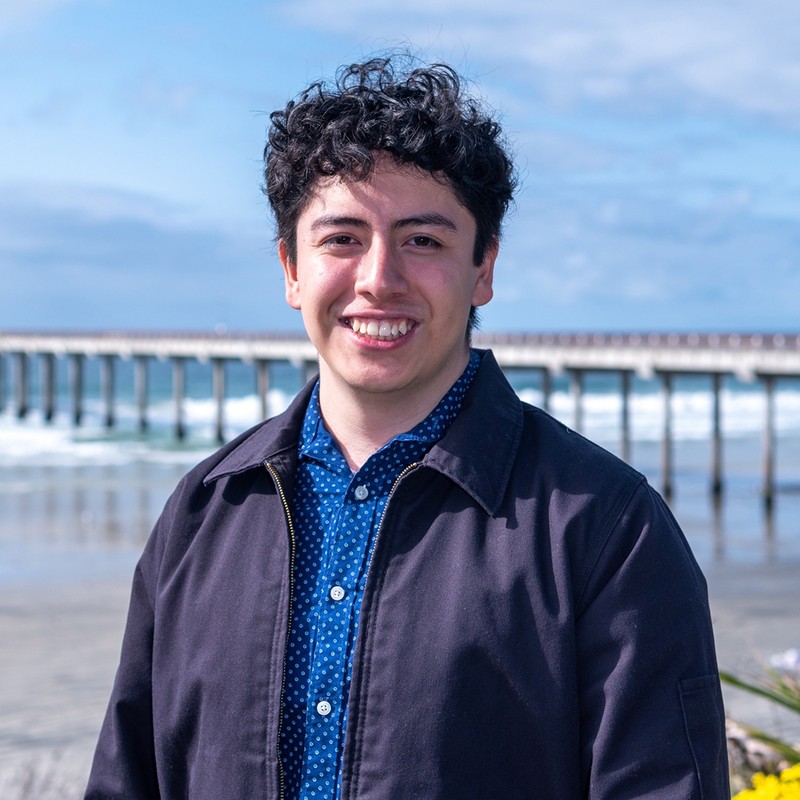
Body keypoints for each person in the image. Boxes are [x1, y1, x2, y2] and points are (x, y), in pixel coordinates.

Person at [85, 55, 730, 799]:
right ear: (291, 268)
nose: (379, 278)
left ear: (483, 267)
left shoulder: (605, 527)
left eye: (424, 240)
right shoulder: (205, 512)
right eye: (342, 238)